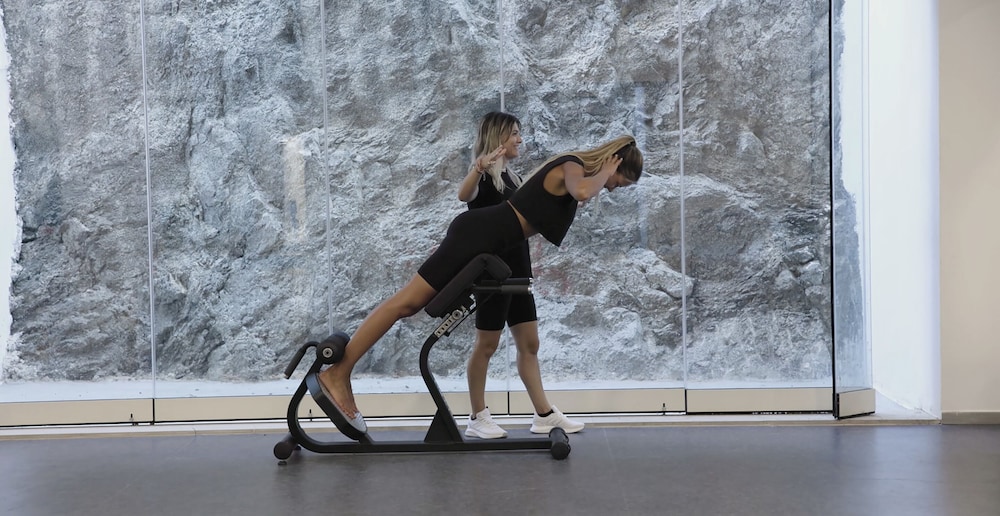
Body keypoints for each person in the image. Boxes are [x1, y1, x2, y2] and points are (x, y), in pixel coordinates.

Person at [315, 132, 643, 433]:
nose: (614, 187)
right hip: (476, 235)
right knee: (407, 303)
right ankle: (338, 373)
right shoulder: (573, 166)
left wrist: (604, 175)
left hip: (486, 239)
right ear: (613, 163)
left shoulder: (577, 173)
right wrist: (604, 172)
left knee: (407, 304)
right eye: (620, 180)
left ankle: (340, 374)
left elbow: (578, 194)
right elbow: (583, 190)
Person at [457, 111, 585, 438]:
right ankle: (476, 417)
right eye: (514, 133)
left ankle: (544, 415)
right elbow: (463, 195)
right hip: (492, 274)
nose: (520, 139)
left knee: (530, 343)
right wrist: (478, 168)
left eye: (519, 132)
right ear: (498, 136)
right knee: (487, 344)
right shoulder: (483, 178)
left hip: (518, 272)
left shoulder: (513, 179)